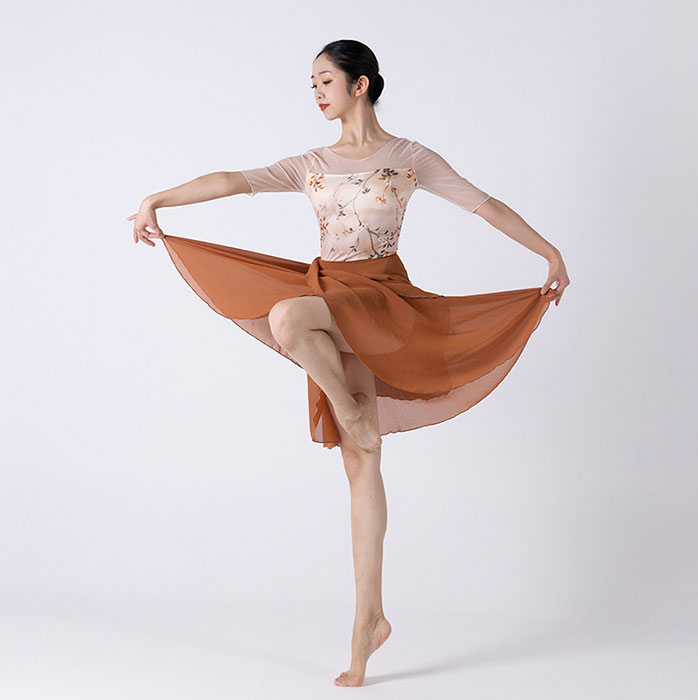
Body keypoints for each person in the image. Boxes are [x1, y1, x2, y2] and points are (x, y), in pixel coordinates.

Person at [127, 39, 570, 687]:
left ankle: (350, 433)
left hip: (383, 300)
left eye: (325, 81)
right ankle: (371, 618)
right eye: (311, 84)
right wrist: (156, 199)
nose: (316, 93)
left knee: (294, 327)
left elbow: (486, 205)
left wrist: (548, 252)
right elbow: (230, 180)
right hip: (329, 295)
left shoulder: (410, 158)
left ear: (360, 85)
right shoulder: (311, 163)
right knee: (353, 446)